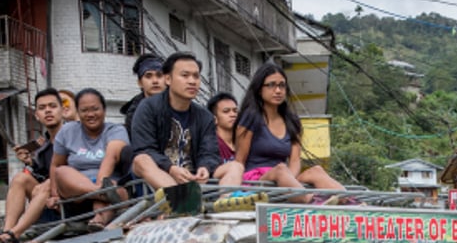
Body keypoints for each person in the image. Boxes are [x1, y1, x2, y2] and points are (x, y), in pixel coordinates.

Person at [232, 62, 344, 199]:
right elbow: (239, 161)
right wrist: (236, 191)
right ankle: (313, 202)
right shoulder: (250, 117)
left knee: (317, 171)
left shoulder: (292, 121)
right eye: (271, 85)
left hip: (285, 179)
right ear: (260, 89)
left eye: (282, 85)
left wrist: (290, 180)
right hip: (256, 181)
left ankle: (353, 203)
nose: (278, 90)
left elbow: (295, 161)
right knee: (280, 169)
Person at [0, 88, 65, 243]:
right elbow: (42, 173)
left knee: (46, 184)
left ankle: (13, 234)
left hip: (70, 197)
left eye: (52, 106)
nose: (48, 111)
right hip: (47, 199)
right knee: (20, 178)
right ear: (37, 115)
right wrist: (31, 162)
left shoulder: (74, 135)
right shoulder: (43, 147)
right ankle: (6, 233)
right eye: (42, 108)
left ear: (62, 110)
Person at [130, 52, 221, 194]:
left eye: (196, 76)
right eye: (185, 75)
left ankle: (224, 203)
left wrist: (205, 167)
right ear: (168, 79)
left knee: (235, 167)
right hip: (159, 179)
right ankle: (183, 201)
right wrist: (170, 168)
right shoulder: (148, 107)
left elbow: (210, 152)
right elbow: (144, 148)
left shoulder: (205, 116)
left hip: (193, 178)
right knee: (141, 160)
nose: (192, 81)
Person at [51, 88, 131, 230]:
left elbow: (110, 157)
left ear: (104, 110)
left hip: (109, 183)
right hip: (77, 194)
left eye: (95, 109)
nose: (90, 114)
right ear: (78, 112)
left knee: (109, 186)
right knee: (62, 171)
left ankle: (99, 219)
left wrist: (102, 184)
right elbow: (55, 165)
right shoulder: (67, 131)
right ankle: (103, 194)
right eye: (84, 110)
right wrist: (54, 195)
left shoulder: (116, 130)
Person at [120, 53, 166, 136]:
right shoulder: (134, 113)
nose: (155, 81)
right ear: (140, 83)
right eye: (148, 76)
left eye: (159, 75)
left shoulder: (178, 105)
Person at [206, 91, 245, 184]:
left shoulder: (243, 141)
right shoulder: (210, 142)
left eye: (235, 111)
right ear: (214, 118)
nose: (233, 114)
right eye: (226, 111)